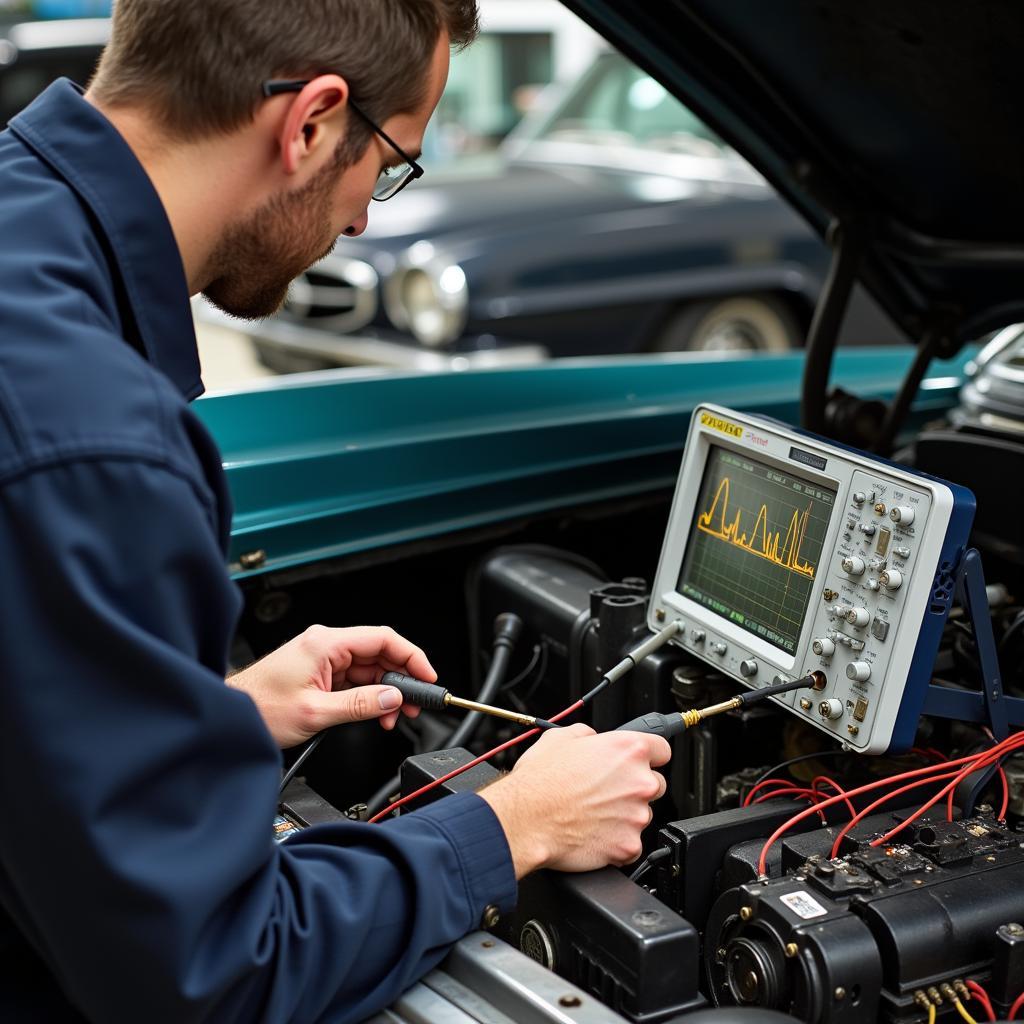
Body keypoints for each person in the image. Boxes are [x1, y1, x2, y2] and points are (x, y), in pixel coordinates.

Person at [0, 2, 671, 1021]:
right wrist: (514, 824)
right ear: (310, 123)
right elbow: (210, 977)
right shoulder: (98, 442)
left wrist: (207, 713)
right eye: (391, 161)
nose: (362, 218)